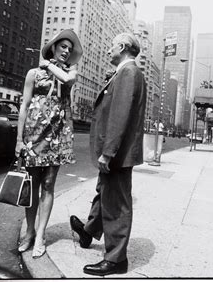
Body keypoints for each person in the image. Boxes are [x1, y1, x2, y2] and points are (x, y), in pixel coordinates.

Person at [70, 33, 146, 276]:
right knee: (105, 192)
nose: (107, 50)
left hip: (118, 153)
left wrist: (108, 153)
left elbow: (119, 116)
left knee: (117, 205)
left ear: (122, 47)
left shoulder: (128, 73)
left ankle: (115, 260)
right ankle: (90, 231)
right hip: (117, 152)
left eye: (111, 46)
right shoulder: (125, 73)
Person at [15, 29, 83, 259]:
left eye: (69, 49)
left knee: (48, 184)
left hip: (57, 135)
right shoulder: (33, 74)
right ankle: (30, 232)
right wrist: (18, 139)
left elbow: (67, 79)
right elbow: (24, 106)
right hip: (34, 133)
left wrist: (48, 65)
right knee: (32, 185)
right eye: (62, 46)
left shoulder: (70, 71)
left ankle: (41, 235)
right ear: (53, 47)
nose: (66, 51)